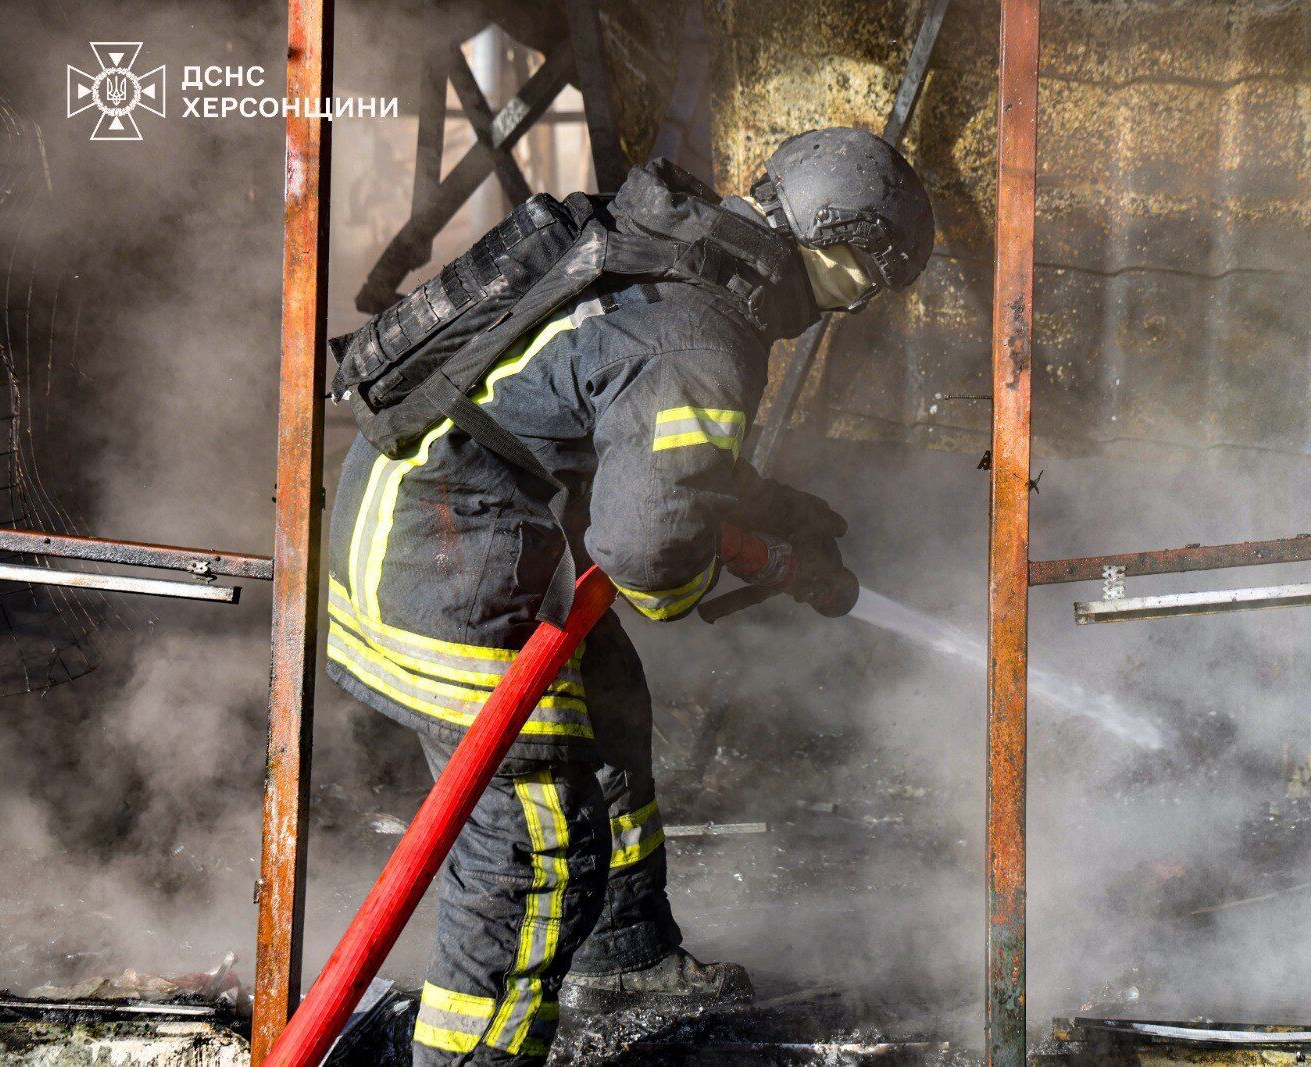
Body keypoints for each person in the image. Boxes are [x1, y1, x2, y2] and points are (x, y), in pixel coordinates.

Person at [324, 126, 934, 1066]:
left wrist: (764, 512)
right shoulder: (707, 332)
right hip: (439, 554)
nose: (859, 305)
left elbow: (643, 426)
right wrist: (717, 562)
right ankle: (470, 1057)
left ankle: (622, 955)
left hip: (441, 507)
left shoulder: (683, 256)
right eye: (869, 281)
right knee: (534, 841)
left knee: (606, 701)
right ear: (839, 245)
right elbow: (647, 553)